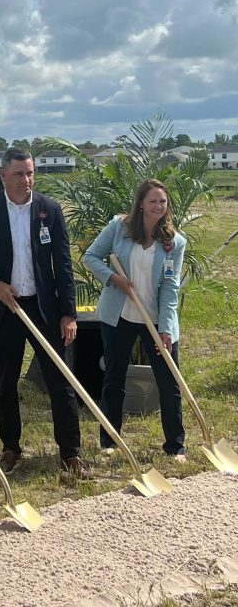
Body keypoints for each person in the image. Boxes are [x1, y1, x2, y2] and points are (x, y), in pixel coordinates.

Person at [0, 147, 90, 478]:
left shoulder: (49, 210)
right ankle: (11, 448)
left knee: (61, 381)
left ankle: (70, 453)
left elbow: (62, 264)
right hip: (6, 308)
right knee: (6, 382)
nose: (26, 180)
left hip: (44, 309)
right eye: (19, 174)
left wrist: (68, 313)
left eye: (30, 173)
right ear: (3, 175)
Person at [82, 178, 187, 461]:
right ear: (141, 203)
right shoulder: (120, 227)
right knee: (114, 377)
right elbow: (90, 256)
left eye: (162, 202)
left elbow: (170, 286)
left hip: (155, 318)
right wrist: (114, 278)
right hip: (119, 316)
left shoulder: (174, 242)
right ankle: (110, 441)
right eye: (152, 201)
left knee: (169, 380)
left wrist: (166, 328)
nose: (158, 206)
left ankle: (175, 445)